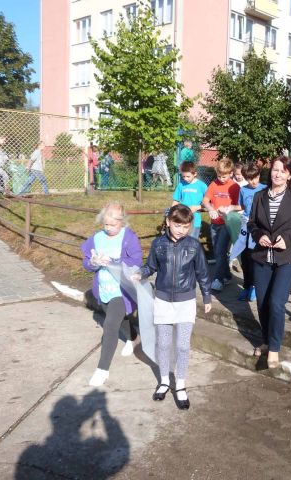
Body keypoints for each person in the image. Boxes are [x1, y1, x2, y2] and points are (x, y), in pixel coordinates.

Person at [133, 205, 211, 410]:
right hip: (163, 301)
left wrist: (207, 296)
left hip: (186, 302)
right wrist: (141, 273)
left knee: (183, 346)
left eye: (185, 226)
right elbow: (151, 266)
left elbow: (203, 273)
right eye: (177, 225)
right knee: (163, 344)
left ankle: (181, 384)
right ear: (168, 222)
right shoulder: (158, 244)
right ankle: (165, 381)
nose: (181, 230)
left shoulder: (194, 245)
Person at [247, 156, 291, 368]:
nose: (278, 174)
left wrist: (288, 238)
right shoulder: (259, 196)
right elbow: (252, 223)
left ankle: (274, 348)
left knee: (276, 302)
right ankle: (266, 340)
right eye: (275, 169)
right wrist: (258, 235)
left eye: (283, 171)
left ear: (289, 175)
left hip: (286, 258)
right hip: (262, 257)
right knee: (262, 303)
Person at [81, 202, 142, 386]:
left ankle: (102, 369)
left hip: (121, 290)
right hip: (104, 290)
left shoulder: (128, 237)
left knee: (109, 326)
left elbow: (136, 261)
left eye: (113, 225)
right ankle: (133, 338)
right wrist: (93, 262)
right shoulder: (96, 238)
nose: (108, 228)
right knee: (119, 320)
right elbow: (86, 262)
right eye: (106, 224)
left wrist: (114, 261)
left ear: (121, 222)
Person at [203, 158, 240, 291]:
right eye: (219, 176)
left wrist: (229, 209)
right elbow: (205, 200)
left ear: (231, 173)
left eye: (224, 176)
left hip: (227, 224)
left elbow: (239, 206)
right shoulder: (213, 184)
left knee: (219, 251)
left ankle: (218, 279)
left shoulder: (234, 187)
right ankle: (227, 276)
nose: (221, 179)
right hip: (215, 223)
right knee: (219, 252)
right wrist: (210, 209)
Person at [237, 162, 267, 301]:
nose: (253, 181)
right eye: (249, 179)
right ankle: (247, 286)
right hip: (246, 228)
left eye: (255, 177)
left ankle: (256, 286)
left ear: (259, 175)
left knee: (256, 258)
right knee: (246, 259)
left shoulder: (265, 189)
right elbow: (242, 206)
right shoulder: (243, 190)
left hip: (259, 230)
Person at [172, 161, 208, 240]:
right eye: (183, 176)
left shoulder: (202, 186)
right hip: (182, 218)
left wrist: (197, 207)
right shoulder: (181, 184)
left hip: (195, 220)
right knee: (181, 241)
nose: (185, 179)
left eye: (188, 176)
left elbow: (208, 202)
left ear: (195, 174)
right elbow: (176, 200)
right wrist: (172, 213)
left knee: (192, 242)